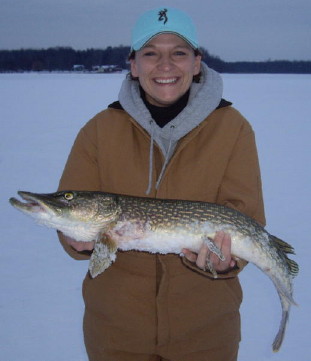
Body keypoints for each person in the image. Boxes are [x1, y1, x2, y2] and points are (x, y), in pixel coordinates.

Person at [58, 6, 265, 361]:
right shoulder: (98, 130)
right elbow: (73, 208)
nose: (165, 65)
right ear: (134, 65)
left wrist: (227, 262)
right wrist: (73, 239)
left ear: (197, 62)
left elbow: (245, 217)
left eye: (178, 53)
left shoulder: (233, 128)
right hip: (115, 332)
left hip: (207, 331)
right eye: (151, 53)